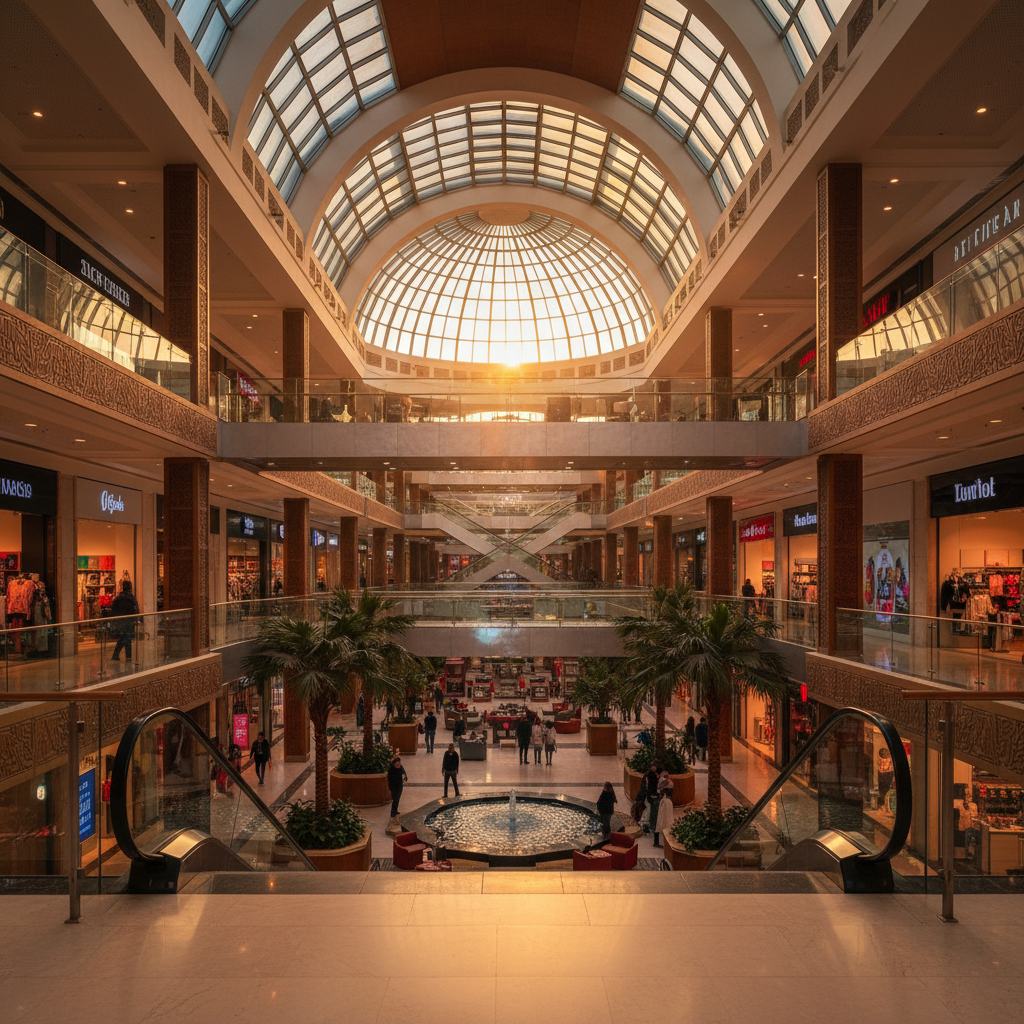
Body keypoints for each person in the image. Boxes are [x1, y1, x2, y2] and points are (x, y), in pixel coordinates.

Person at [109, 580, 140, 662]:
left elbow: (113, 610)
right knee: (127, 638)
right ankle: (126, 657)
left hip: (121, 622)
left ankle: (119, 655)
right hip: (129, 622)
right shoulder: (131, 598)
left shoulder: (119, 598)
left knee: (123, 638)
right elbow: (136, 609)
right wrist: (137, 619)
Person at [655, 771, 674, 845]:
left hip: (666, 803)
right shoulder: (667, 783)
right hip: (665, 803)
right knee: (662, 821)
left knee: (664, 820)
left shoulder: (668, 783)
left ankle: (664, 839)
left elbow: (659, 789)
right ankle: (658, 841)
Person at [645, 763, 662, 843]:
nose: (653, 768)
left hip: (653, 795)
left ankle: (652, 824)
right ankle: (653, 825)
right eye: (652, 767)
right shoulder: (651, 776)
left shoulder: (654, 774)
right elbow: (652, 785)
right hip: (652, 795)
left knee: (653, 810)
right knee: (654, 811)